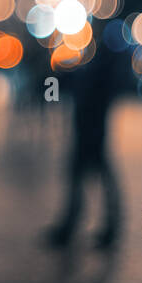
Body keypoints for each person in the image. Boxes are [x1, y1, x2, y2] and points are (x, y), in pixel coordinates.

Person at [44, 37, 123, 249]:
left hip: (90, 134)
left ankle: (78, 228)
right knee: (86, 181)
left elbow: (87, 100)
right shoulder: (99, 70)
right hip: (90, 133)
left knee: (82, 181)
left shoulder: (100, 72)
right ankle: (94, 227)